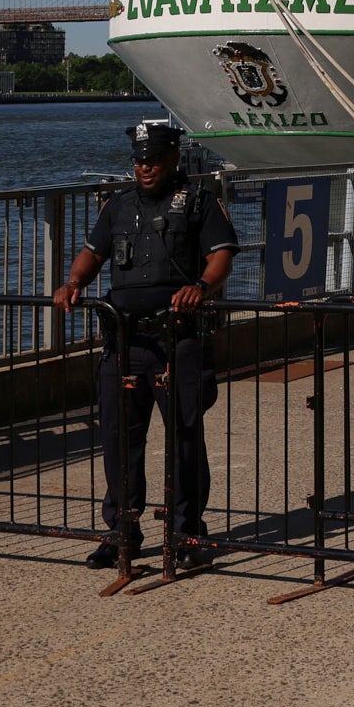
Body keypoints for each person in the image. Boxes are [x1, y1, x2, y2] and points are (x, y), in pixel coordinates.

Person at [54, 117, 236, 569]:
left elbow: (222, 257)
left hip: (178, 340)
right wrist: (73, 282)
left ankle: (187, 533)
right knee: (119, 440)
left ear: (174, 157)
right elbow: (93, 254)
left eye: (153, 160)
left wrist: (201, 287)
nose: (145, 168)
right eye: (138, 161)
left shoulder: (199, 203)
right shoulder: (117, 206)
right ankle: (122, 531)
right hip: (124, 340)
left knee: (185, 438)